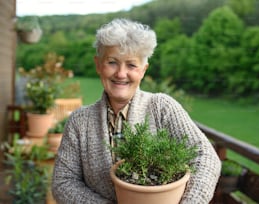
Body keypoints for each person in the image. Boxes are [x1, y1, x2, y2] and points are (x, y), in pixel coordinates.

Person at [52, 18, 221, 204]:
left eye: (131, 65)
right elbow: (63, 183)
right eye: (112, 62)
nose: (121, 74)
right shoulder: (79, 121)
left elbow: (205, 157)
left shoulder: (162, 107)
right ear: (98, 64)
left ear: (143, 70)